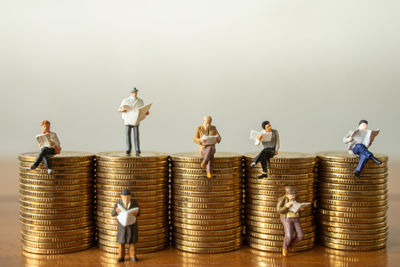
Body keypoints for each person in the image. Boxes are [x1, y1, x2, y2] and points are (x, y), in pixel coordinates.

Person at [118, 87, 149, 156]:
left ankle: (137, 149)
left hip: (135, 120)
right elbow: (119, 109)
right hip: (128, 120)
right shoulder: (126, 100)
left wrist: (146, 112)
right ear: (131, 93)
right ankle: (128, 149)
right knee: (128, 135)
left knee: (136, 135)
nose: (135, 94)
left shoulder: (140, 101)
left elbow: (143, 110)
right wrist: (122, 110)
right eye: (133, 92)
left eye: (135, 92)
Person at [111, 189, 140, 262]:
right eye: (124, 197)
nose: (126, 198)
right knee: (121, 242)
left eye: (127, 197)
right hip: (122, 226)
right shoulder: (118, 203)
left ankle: (132, 256)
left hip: (131, 225)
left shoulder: (134, 203)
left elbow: (139, 212)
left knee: (132, 242)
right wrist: (116, 211)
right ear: (121, 196)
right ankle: (121, 256)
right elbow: (112, 213)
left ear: (130, 196)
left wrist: (136, 213)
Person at [277, 186, 305, 257]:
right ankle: (285, 248)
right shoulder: (282, 199)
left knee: (301, 236)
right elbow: (278, 210)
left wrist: (301, 209)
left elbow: (299, 207)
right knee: (289, 236)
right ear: (287, 194)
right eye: (292, 195)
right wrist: (286, 207)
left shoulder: (297, 199)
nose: (294, 197)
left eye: (295, 195)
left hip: (296, 218)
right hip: (287, 219)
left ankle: (290, 244)